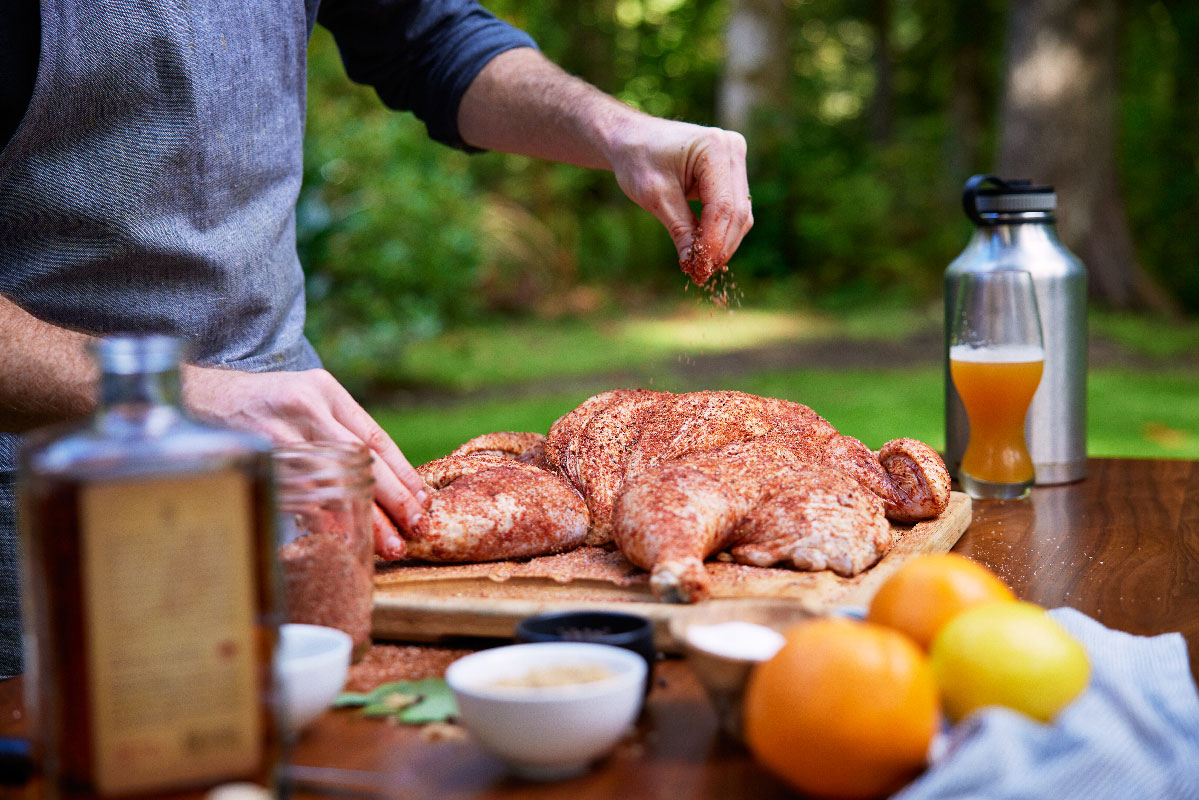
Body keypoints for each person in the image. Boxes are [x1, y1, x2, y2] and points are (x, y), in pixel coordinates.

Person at [0, 0, 753, 677]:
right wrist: (177, 397)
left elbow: (430, 35)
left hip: (296, 480)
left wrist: (620, 130)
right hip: (45, 517)